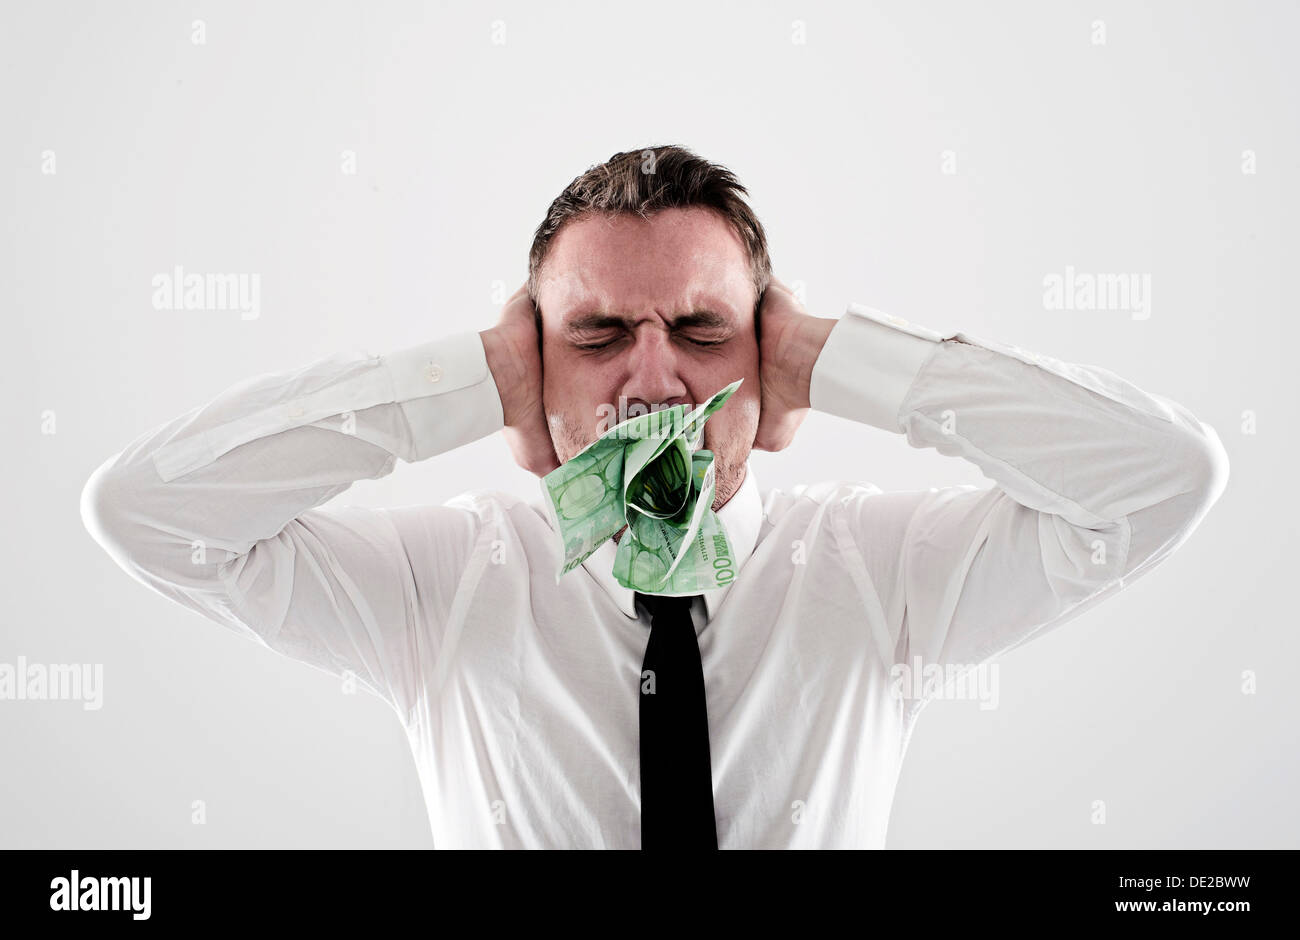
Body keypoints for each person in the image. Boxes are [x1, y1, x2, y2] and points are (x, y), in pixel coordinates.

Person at [80, 145, 1230, 849]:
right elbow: (145, 512)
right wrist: (469, 383)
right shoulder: (435, 590)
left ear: (763, 351)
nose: (651, 378)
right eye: (595, 334)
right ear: (534, 358)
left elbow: (1158, 478)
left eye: (699, 329)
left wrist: (834, 363)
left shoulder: (887, 578)